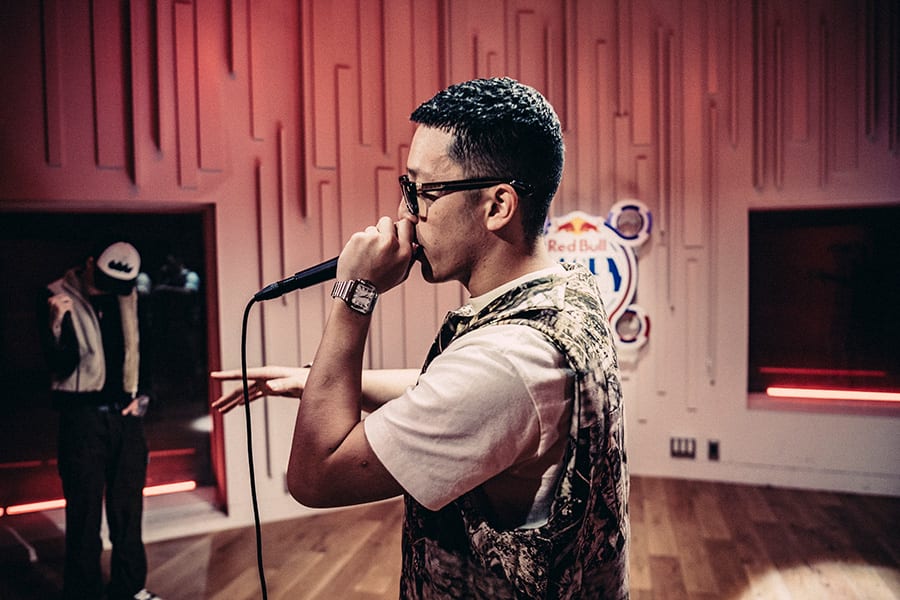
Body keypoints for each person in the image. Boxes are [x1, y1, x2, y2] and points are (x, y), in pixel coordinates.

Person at [213, 77, 629, 598]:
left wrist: (355, 293)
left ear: (497, 206)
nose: (406, 213)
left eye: (424, 191)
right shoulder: (565, 292)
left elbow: (314, 478)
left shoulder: (507, 363)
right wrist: (313, 381)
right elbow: (450, 392)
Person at [39, 239, 161, 600]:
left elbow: (146, 349)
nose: (111, 291)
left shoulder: (132, 295)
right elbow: (58, 366)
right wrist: (54, 325)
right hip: (82, 420)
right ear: (90, 263)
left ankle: (130, 588)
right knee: (84, 513)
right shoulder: (56, 296)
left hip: (126, 420)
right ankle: (82, 593)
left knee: (128, 511)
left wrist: (144, 396)